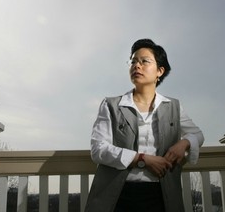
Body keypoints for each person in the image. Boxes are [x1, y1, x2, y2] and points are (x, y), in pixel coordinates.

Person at [85, 38, 204, 212]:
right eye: (133, 61)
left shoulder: (173, 106)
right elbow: (98, 149)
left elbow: (197, 134)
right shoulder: (111, 105)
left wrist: (184, 143)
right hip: (118, 194)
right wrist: (142, 159)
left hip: (161, 195)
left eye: (144, 61)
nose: (136, 66)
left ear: (160, 71)